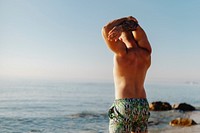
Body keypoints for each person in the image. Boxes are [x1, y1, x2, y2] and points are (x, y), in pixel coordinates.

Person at [102, 16, 152, 133]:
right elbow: (136, 26)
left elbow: (105, 29)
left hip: (125, 104)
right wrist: (125, 25)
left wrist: (124, 19)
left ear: (121, 37)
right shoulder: (146, 53)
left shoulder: (122, 53)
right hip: (142, 105)